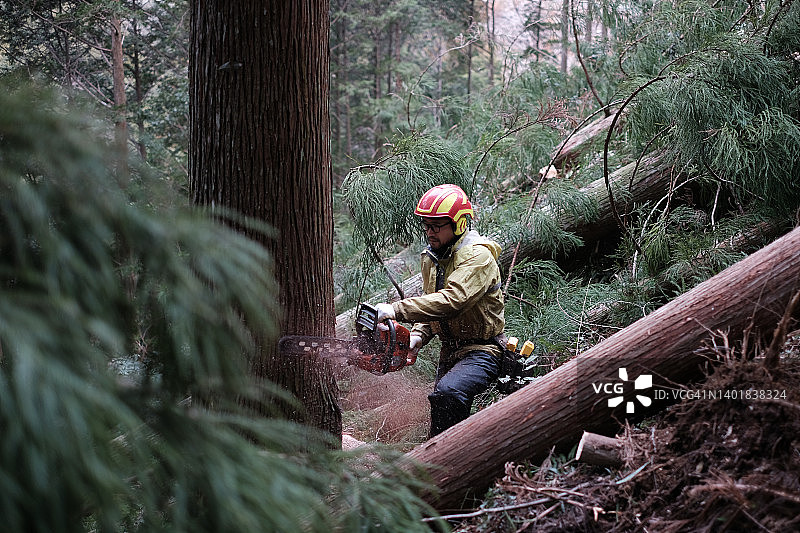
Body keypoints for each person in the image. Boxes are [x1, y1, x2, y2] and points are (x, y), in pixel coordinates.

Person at [375, 184, 505, 437]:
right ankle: (441, 462)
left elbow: (452, 300)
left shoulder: (478, 257)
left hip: (483, 350)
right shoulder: (433, 256)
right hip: (451, 351)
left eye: (437, 226)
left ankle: (456, 461)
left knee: (448, 393)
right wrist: (418, 336)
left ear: (458, 223)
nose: (429, 231)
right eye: (426, 225)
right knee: (441, 412)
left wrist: (396, 309)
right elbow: (431, 302)